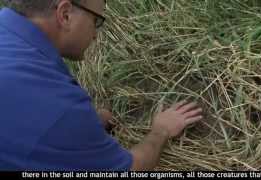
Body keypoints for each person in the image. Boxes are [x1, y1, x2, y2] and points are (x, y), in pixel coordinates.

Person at [0, 0, 203, 171]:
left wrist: (85, 125)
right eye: (96, 21)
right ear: (65, 14)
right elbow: (129, 169)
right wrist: (161, 131)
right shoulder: (59, 105)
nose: (96, 35)